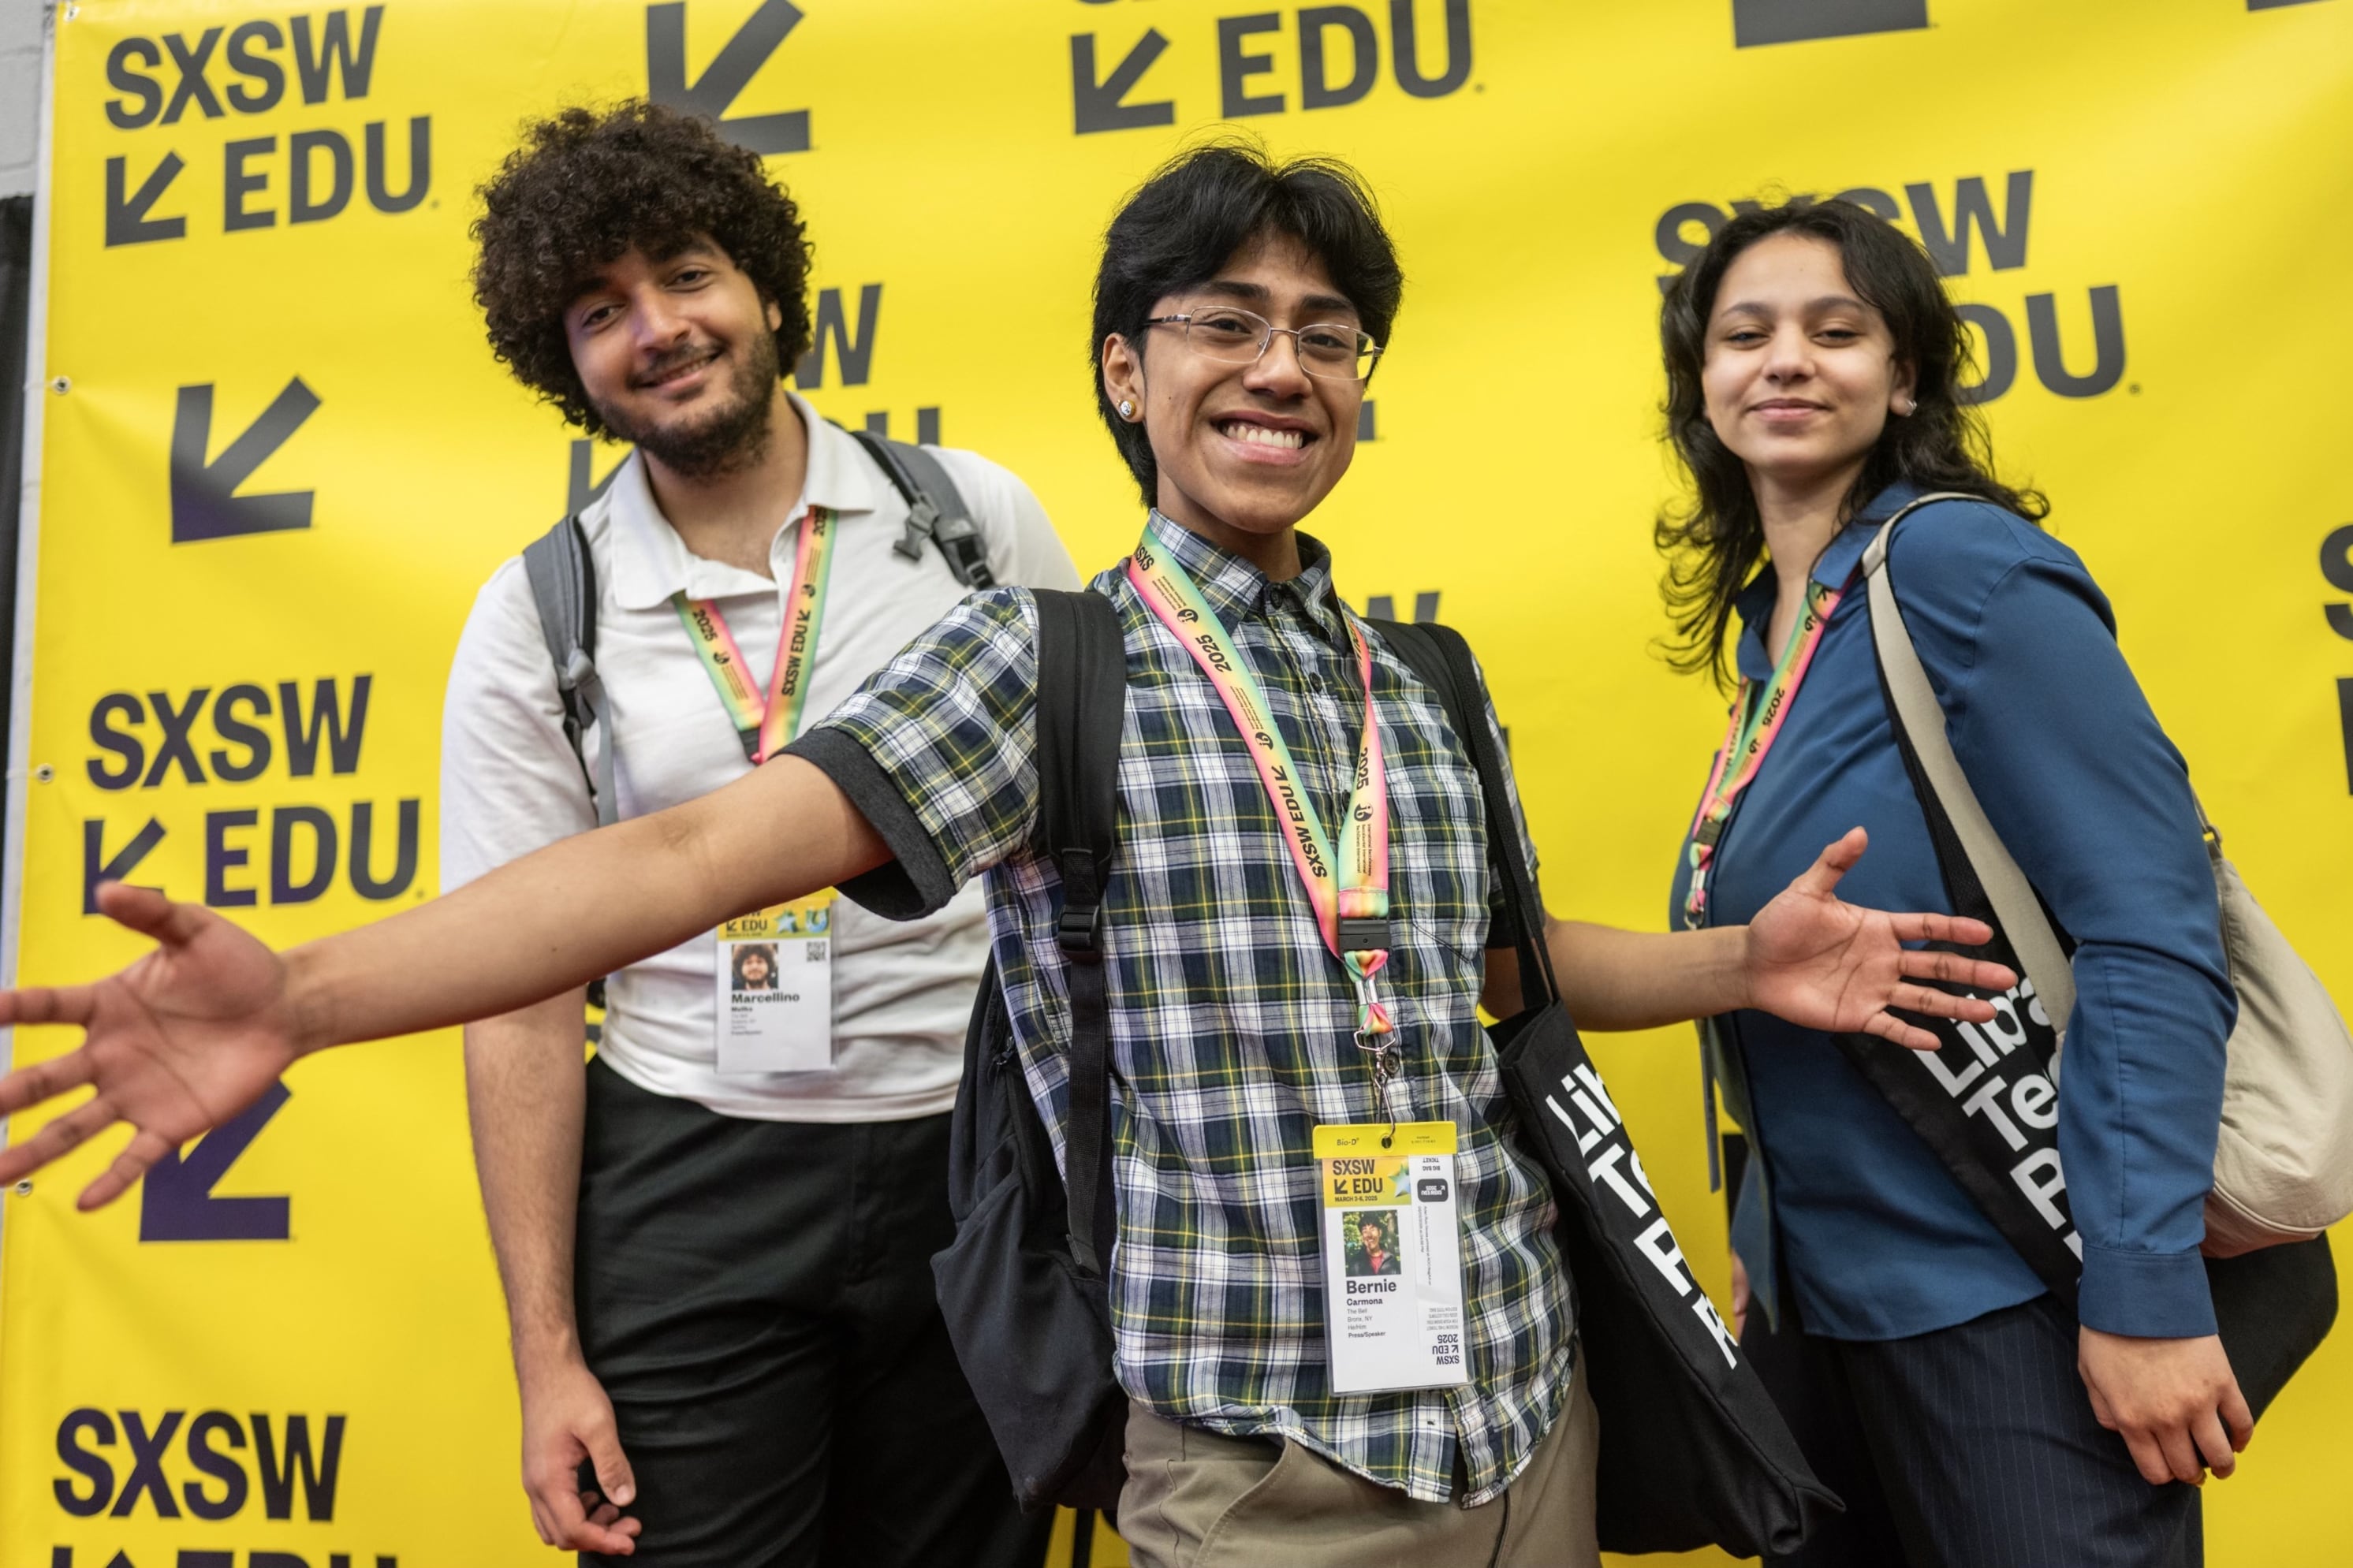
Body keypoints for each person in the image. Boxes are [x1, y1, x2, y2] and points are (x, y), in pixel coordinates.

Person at [0, 145, 2010, 1568]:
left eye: (1324, 334)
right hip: (1263, 1454)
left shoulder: (1423, 675)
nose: (1279, 365)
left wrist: (1744, 964)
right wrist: (308, 993)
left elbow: (1498, 973)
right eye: (1223, 322)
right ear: (1128, 376)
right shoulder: (1043, 663)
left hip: (1517, 1402)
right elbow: (690, 853)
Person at [446, 102, 1076, 1565]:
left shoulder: (971, 521)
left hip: (976, 1159)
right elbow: (522, 998)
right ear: (565, 363)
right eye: (601, 310)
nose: (657, 328)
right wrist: (546, 1356)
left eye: (687, 275)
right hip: (688, 1176)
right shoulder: (538, 613)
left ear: (770, 292)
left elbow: (1086, 860)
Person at [1655, 198, 2243, 1567]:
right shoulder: (1777, 632)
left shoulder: (1956, 567)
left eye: (1835, 330)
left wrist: (2145, 1287)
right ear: (1705, 384)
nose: (1785, 360)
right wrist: (1769, 1236)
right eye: (1745, 335)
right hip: (1820, 1332)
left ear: (1905, 375)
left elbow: (2150, 928)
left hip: (2015, 1300)